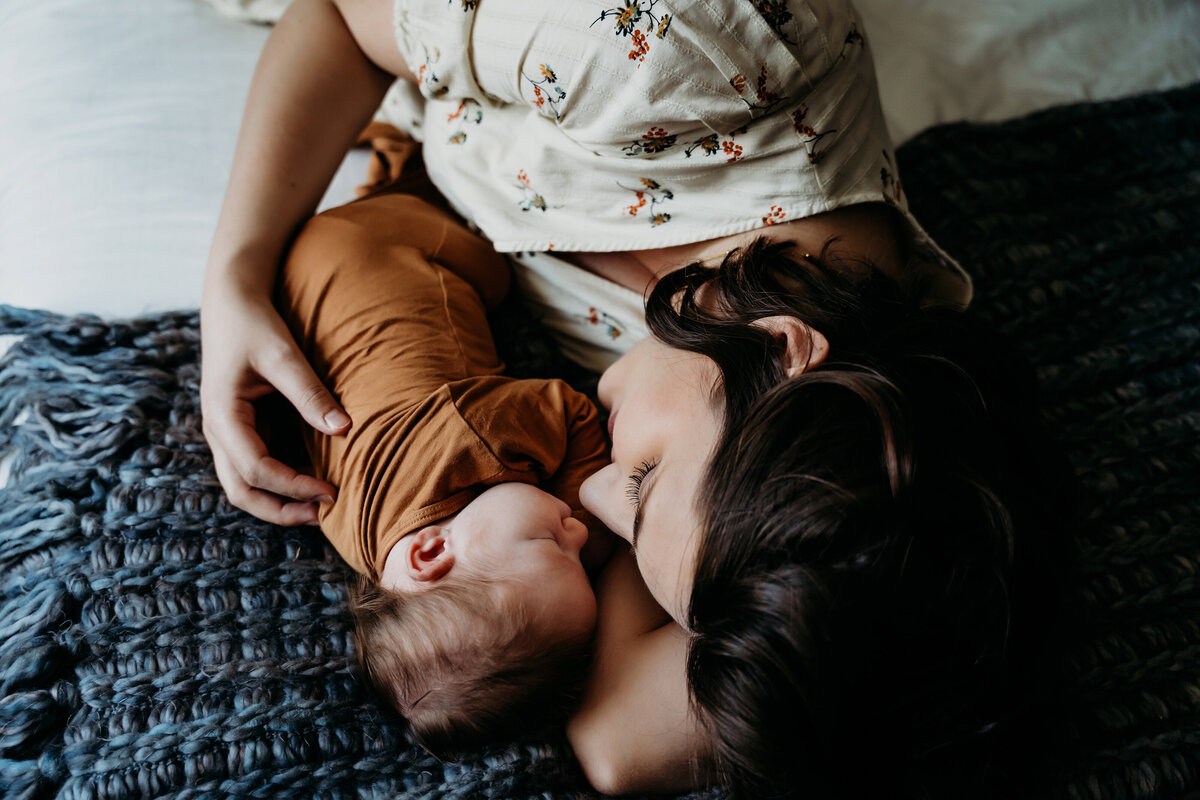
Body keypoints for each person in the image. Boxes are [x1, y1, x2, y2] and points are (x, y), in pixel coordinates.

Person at [200, 0, 1035, 794]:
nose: (593, 493)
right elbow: (343, 16)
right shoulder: (661, 60)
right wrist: (235, 274)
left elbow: (618, 743)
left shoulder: (799, 423)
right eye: (643, 479)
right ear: (783, 347)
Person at [273, 147, 612, 756]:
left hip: (390, 247)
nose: (579, 536)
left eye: (552, 544)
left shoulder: (472, 442)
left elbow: (574, 409)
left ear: (431, 553)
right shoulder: (359, 541)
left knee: (502, 266)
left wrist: (588, 510)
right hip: (304, 281)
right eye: (577, 546)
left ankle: (409, 166)